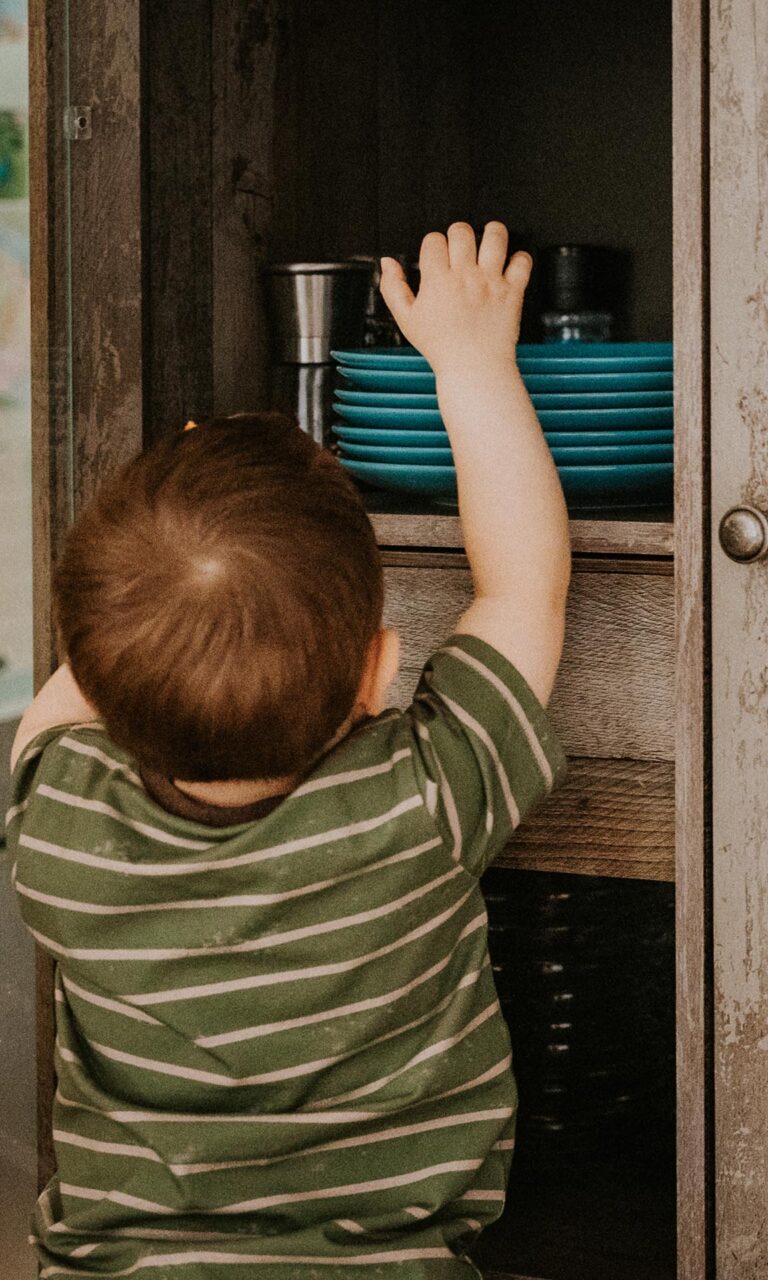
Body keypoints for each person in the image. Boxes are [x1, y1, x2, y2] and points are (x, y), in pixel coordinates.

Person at [5, 221, 570, 1277]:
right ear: (380, 669)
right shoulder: (421, 803)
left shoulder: (66, 831)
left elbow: (83, 684)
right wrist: (474, 363)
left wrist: (185, 508)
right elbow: (523, 584)